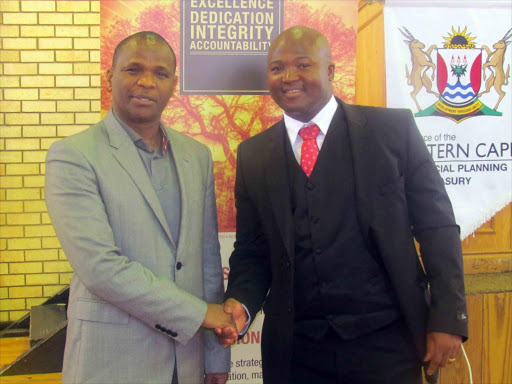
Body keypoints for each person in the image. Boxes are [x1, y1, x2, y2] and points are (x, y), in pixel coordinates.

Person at [221, 26, 468, 384]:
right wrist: (241, 304)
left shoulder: (392, 131)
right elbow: (251, 251)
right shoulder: (253, 155)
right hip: (296, 352)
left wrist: (447, 317)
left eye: (303, 65)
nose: (289, 77)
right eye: (277, 69)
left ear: (331, 71)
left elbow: (436, 226)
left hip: (386, 344)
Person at [45, 31, 236, 384]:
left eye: (160, 74)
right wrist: (200, 314)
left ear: (173, 84)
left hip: (189, 363)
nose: (146, 82)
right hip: (112, 361)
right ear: (110, 77)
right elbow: (100, 268)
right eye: (133, 69)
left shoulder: (197, 156)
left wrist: (216, 356)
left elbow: (208, 260)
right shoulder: (73, 156)